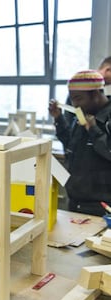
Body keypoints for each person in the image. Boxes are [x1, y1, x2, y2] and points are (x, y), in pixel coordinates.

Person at [48, 69, 111, 216]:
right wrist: (59, 119)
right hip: (76, 202)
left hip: (102, 206)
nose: (75, 104)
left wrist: (93, 129)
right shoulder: (83, 114)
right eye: (72, 100)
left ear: (95, 94)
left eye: (78, 98)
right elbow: (70, 145)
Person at [63, 56, 111, 124]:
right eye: (76, 98)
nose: (75, 104)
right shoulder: (80, 86)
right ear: (108, 70)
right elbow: (69, 124)